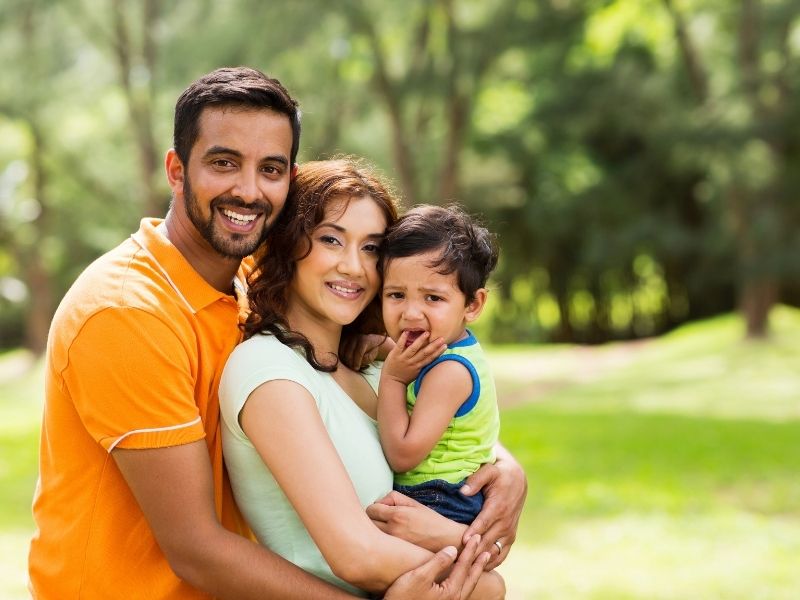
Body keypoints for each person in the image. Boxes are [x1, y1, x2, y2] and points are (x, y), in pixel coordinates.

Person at [28, 66, 510, 600]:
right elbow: (195, 548)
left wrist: (506, 474)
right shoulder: (126, 313)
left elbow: (426, 423)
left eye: (271, 168)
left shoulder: (249, 289)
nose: (248, 189)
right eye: (223, 162)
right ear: (176, 169)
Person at [219, 158, 508, 599]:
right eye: (331, 240)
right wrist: (479, 568)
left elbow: (453, 437)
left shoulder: (373, 365)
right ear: (289, 246)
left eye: (372, 248)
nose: (354, 267)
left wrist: (507, 470)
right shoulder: (268, 371)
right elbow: (357, 555)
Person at [376, 204, 500, 527]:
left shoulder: (450, 372)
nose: (411, 313)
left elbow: (402, 455)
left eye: (432, 298)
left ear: (472, 304)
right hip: (441, 497)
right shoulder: (443, 349)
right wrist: (380, 347)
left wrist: (392, 379)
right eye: (396, 295)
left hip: (440, 501)